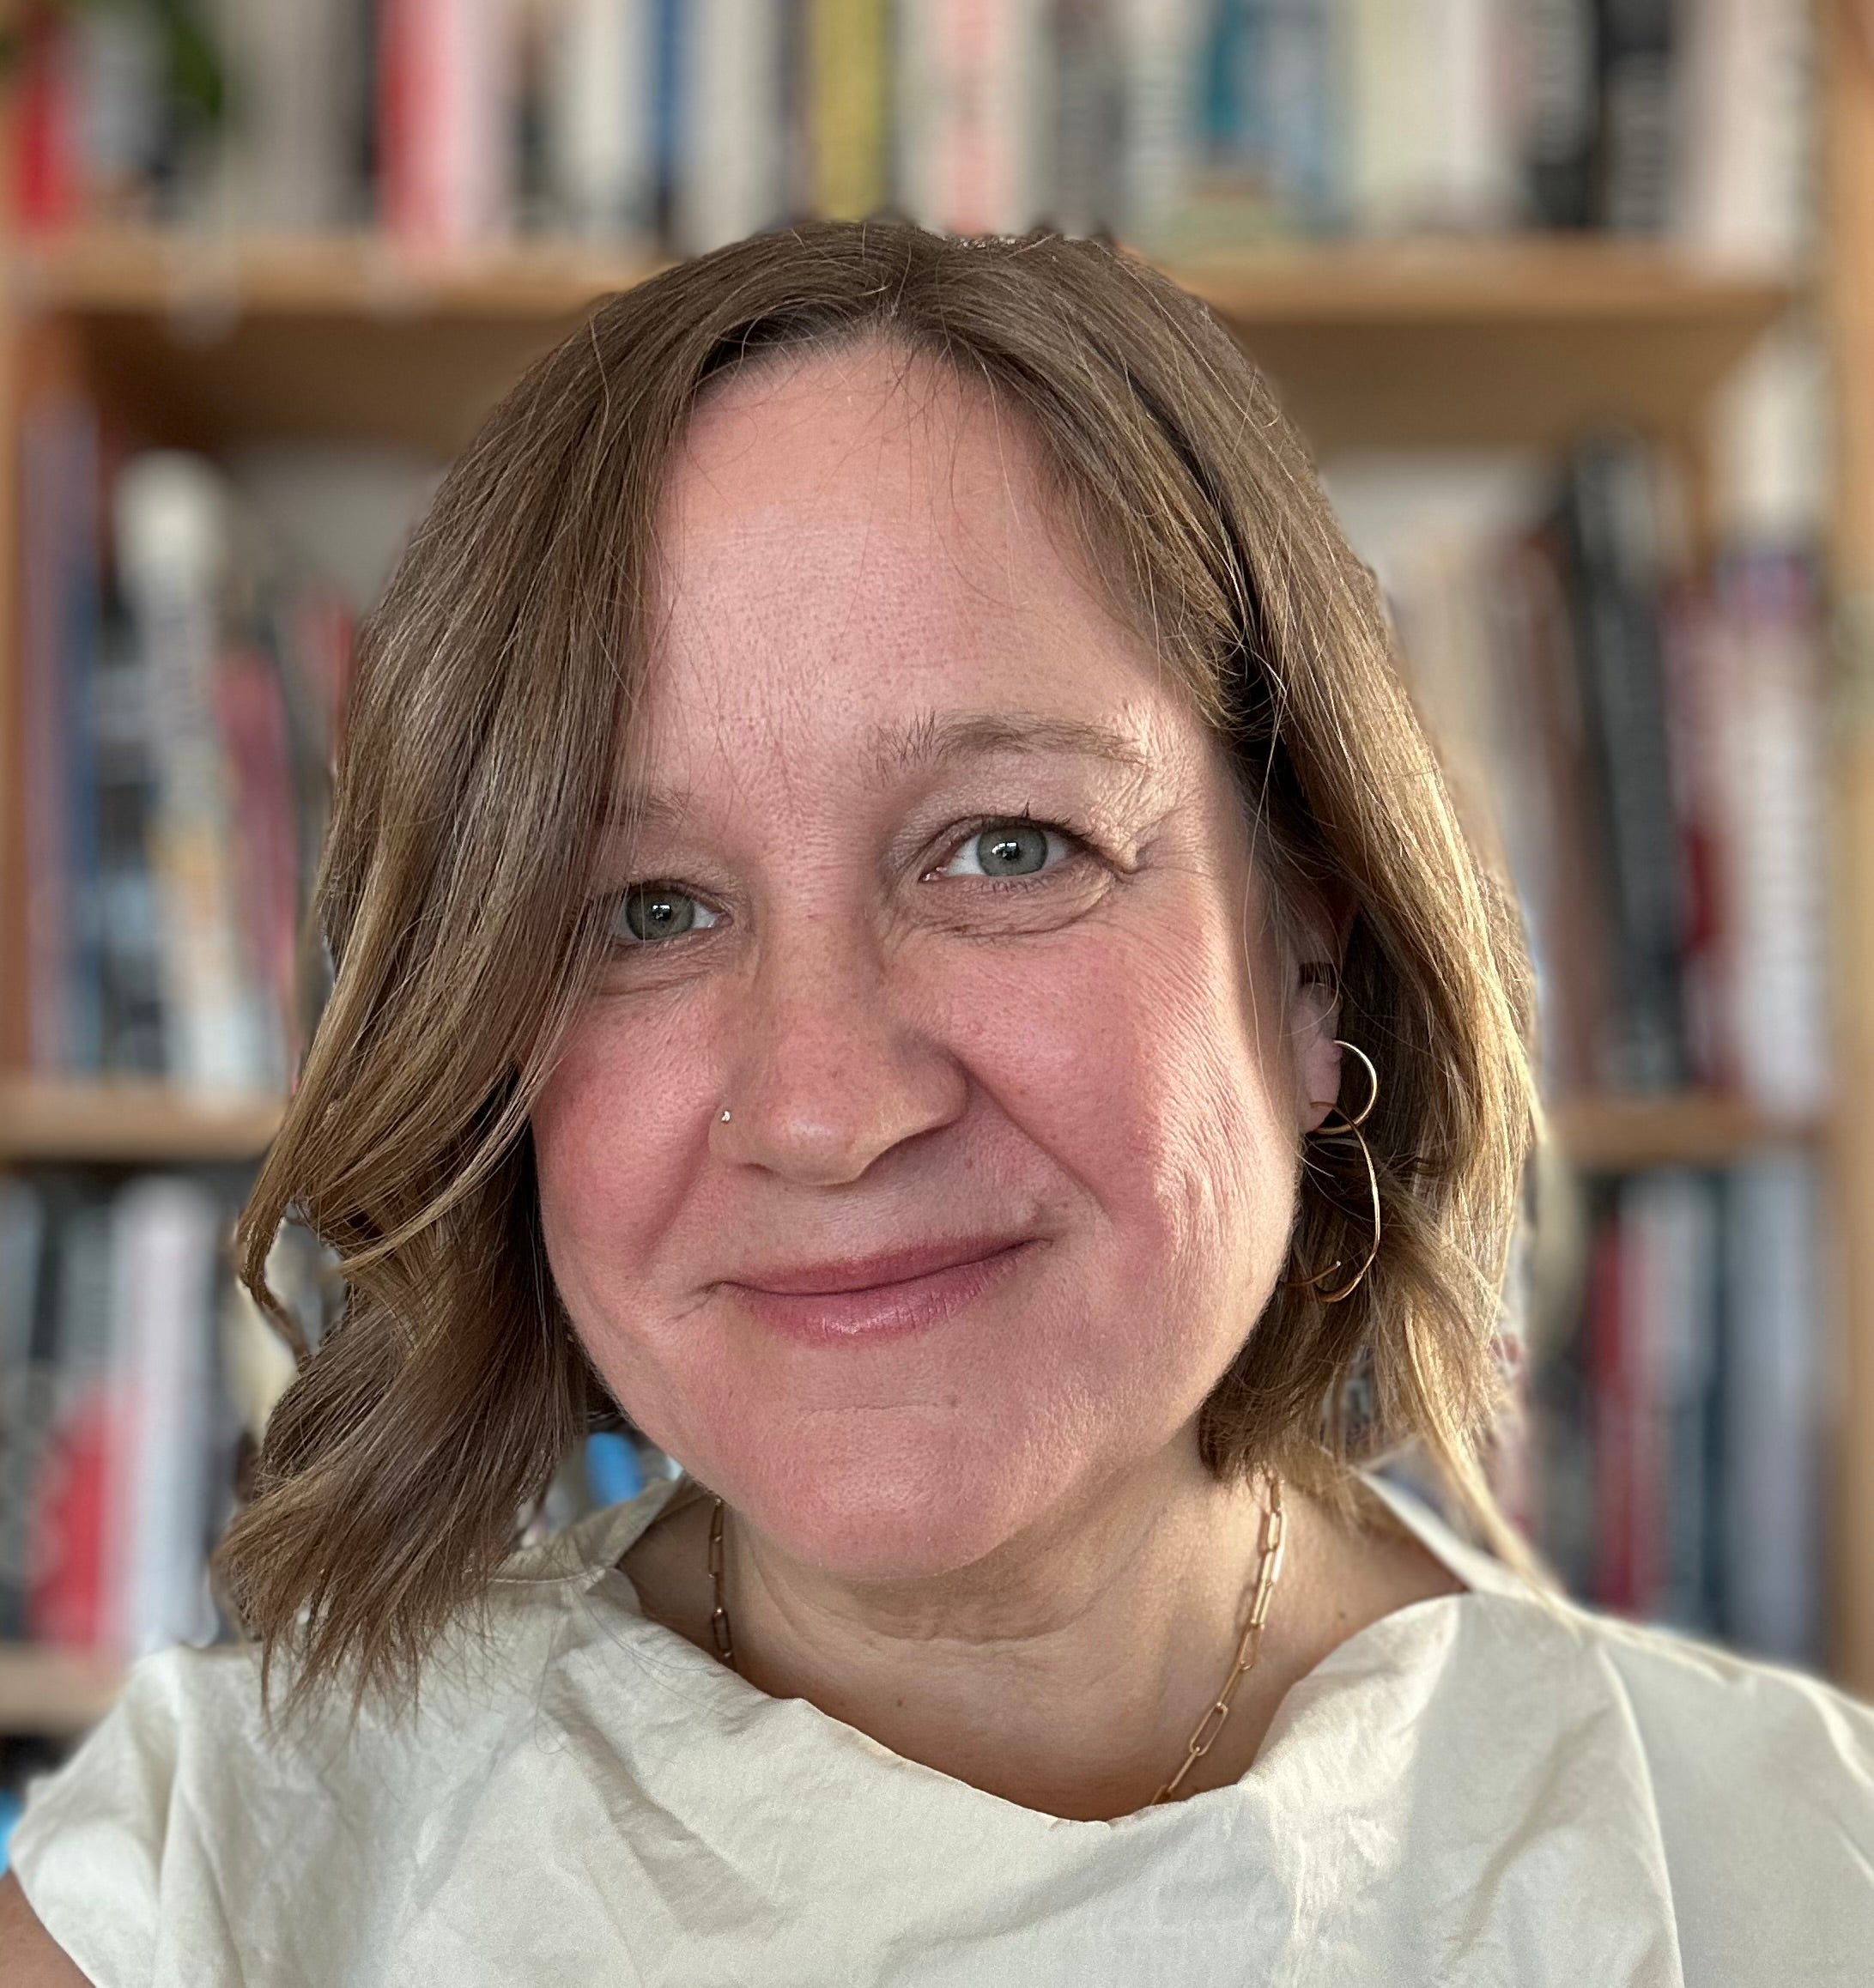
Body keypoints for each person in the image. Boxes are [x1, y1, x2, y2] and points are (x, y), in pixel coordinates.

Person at [3, 220, 1871, 1986]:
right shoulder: (198, 1898)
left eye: (1004, 848)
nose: (825, 1106)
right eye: (646, 909)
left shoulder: (1789, 1873)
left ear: (1315, 959)